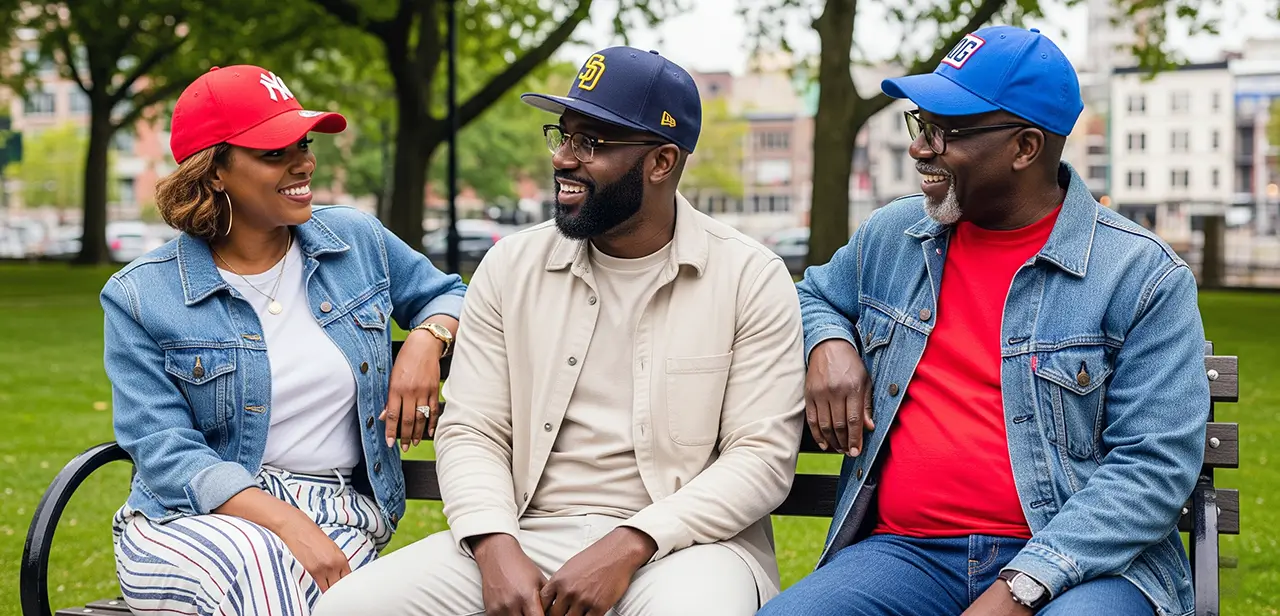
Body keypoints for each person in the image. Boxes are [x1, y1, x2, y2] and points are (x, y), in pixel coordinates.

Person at [314, 46, 805, 616]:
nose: (563, 158)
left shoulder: (749, 277)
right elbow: (473, 429)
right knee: (347, 609)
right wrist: (494, 545)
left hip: (688, 545)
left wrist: (630, 543)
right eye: (563, 136)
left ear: (662, 162)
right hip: (525, 530)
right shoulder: (511, 266)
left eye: (590, 142)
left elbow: (760, 458)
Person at [758, 26, 1210, 616]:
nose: (921, 148)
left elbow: (1153, 468)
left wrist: (1023, 585)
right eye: (921, 124)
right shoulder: (893, 237)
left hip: (1085, 566)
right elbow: (810, 296)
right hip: (907, 555)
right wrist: (829, 343)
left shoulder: (1142, 275)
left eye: (946, 131)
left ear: (1025, 147)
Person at [103, 65, 466, 615]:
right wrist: (285, 524)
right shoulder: (141, 295)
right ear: (214, 171)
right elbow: (163, 448)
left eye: (304, 144)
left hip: (338, 514)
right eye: (275, 152)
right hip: (189, 521)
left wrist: (426, 339)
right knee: (260, 566)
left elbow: (453, 296)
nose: (304, 163)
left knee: (281, 583)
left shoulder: (355, 241)